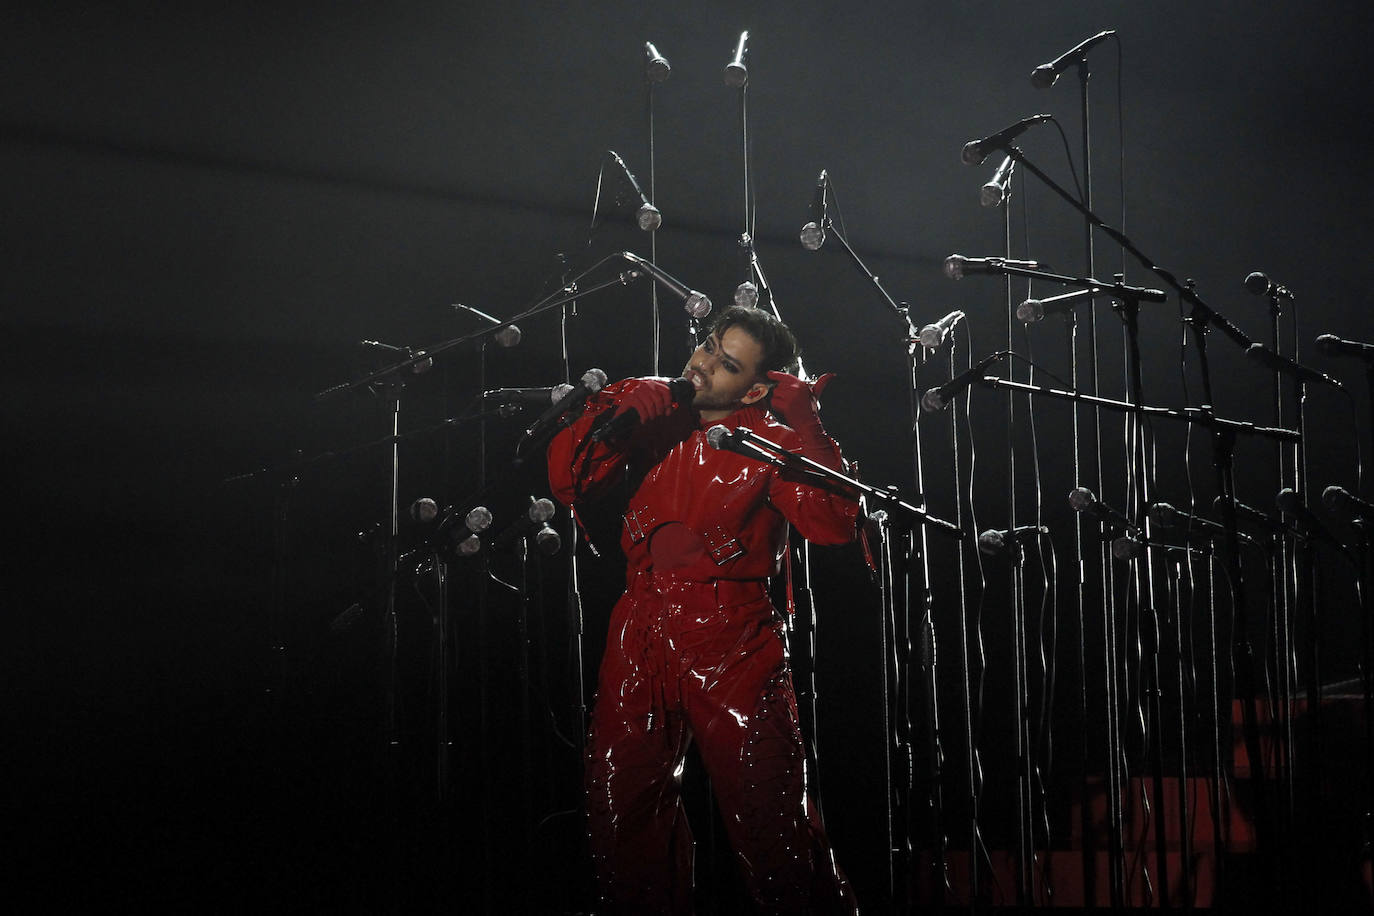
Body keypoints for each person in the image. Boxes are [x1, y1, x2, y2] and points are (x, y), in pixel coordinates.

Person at [547, 305, 861, 915]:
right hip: (640, 623)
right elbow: (568, 481)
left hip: (731, 635)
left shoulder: (771, 443)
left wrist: (809, 426)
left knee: (771, 822)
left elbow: (832, 526)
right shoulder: (661, 418)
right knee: (621, 812)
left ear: (760, 386)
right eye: (709, 345)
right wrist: (615, 408)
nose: (705, 363)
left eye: (728, 362)